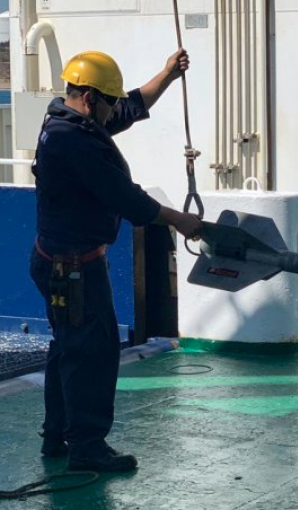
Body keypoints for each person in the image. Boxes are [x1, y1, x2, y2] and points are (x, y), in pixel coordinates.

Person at [30, 49, 202, 472]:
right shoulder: (74, 141)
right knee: (94, 352)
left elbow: (129, 106)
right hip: (73, 270)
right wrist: (180, 220)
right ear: (89, 97)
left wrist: (166, 75)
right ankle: (87, 446)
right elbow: (125, 198)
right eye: (106, 102)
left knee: (68, 349)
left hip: (55, 262)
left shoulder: (68, 120)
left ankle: (57, 435)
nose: (112, 112)